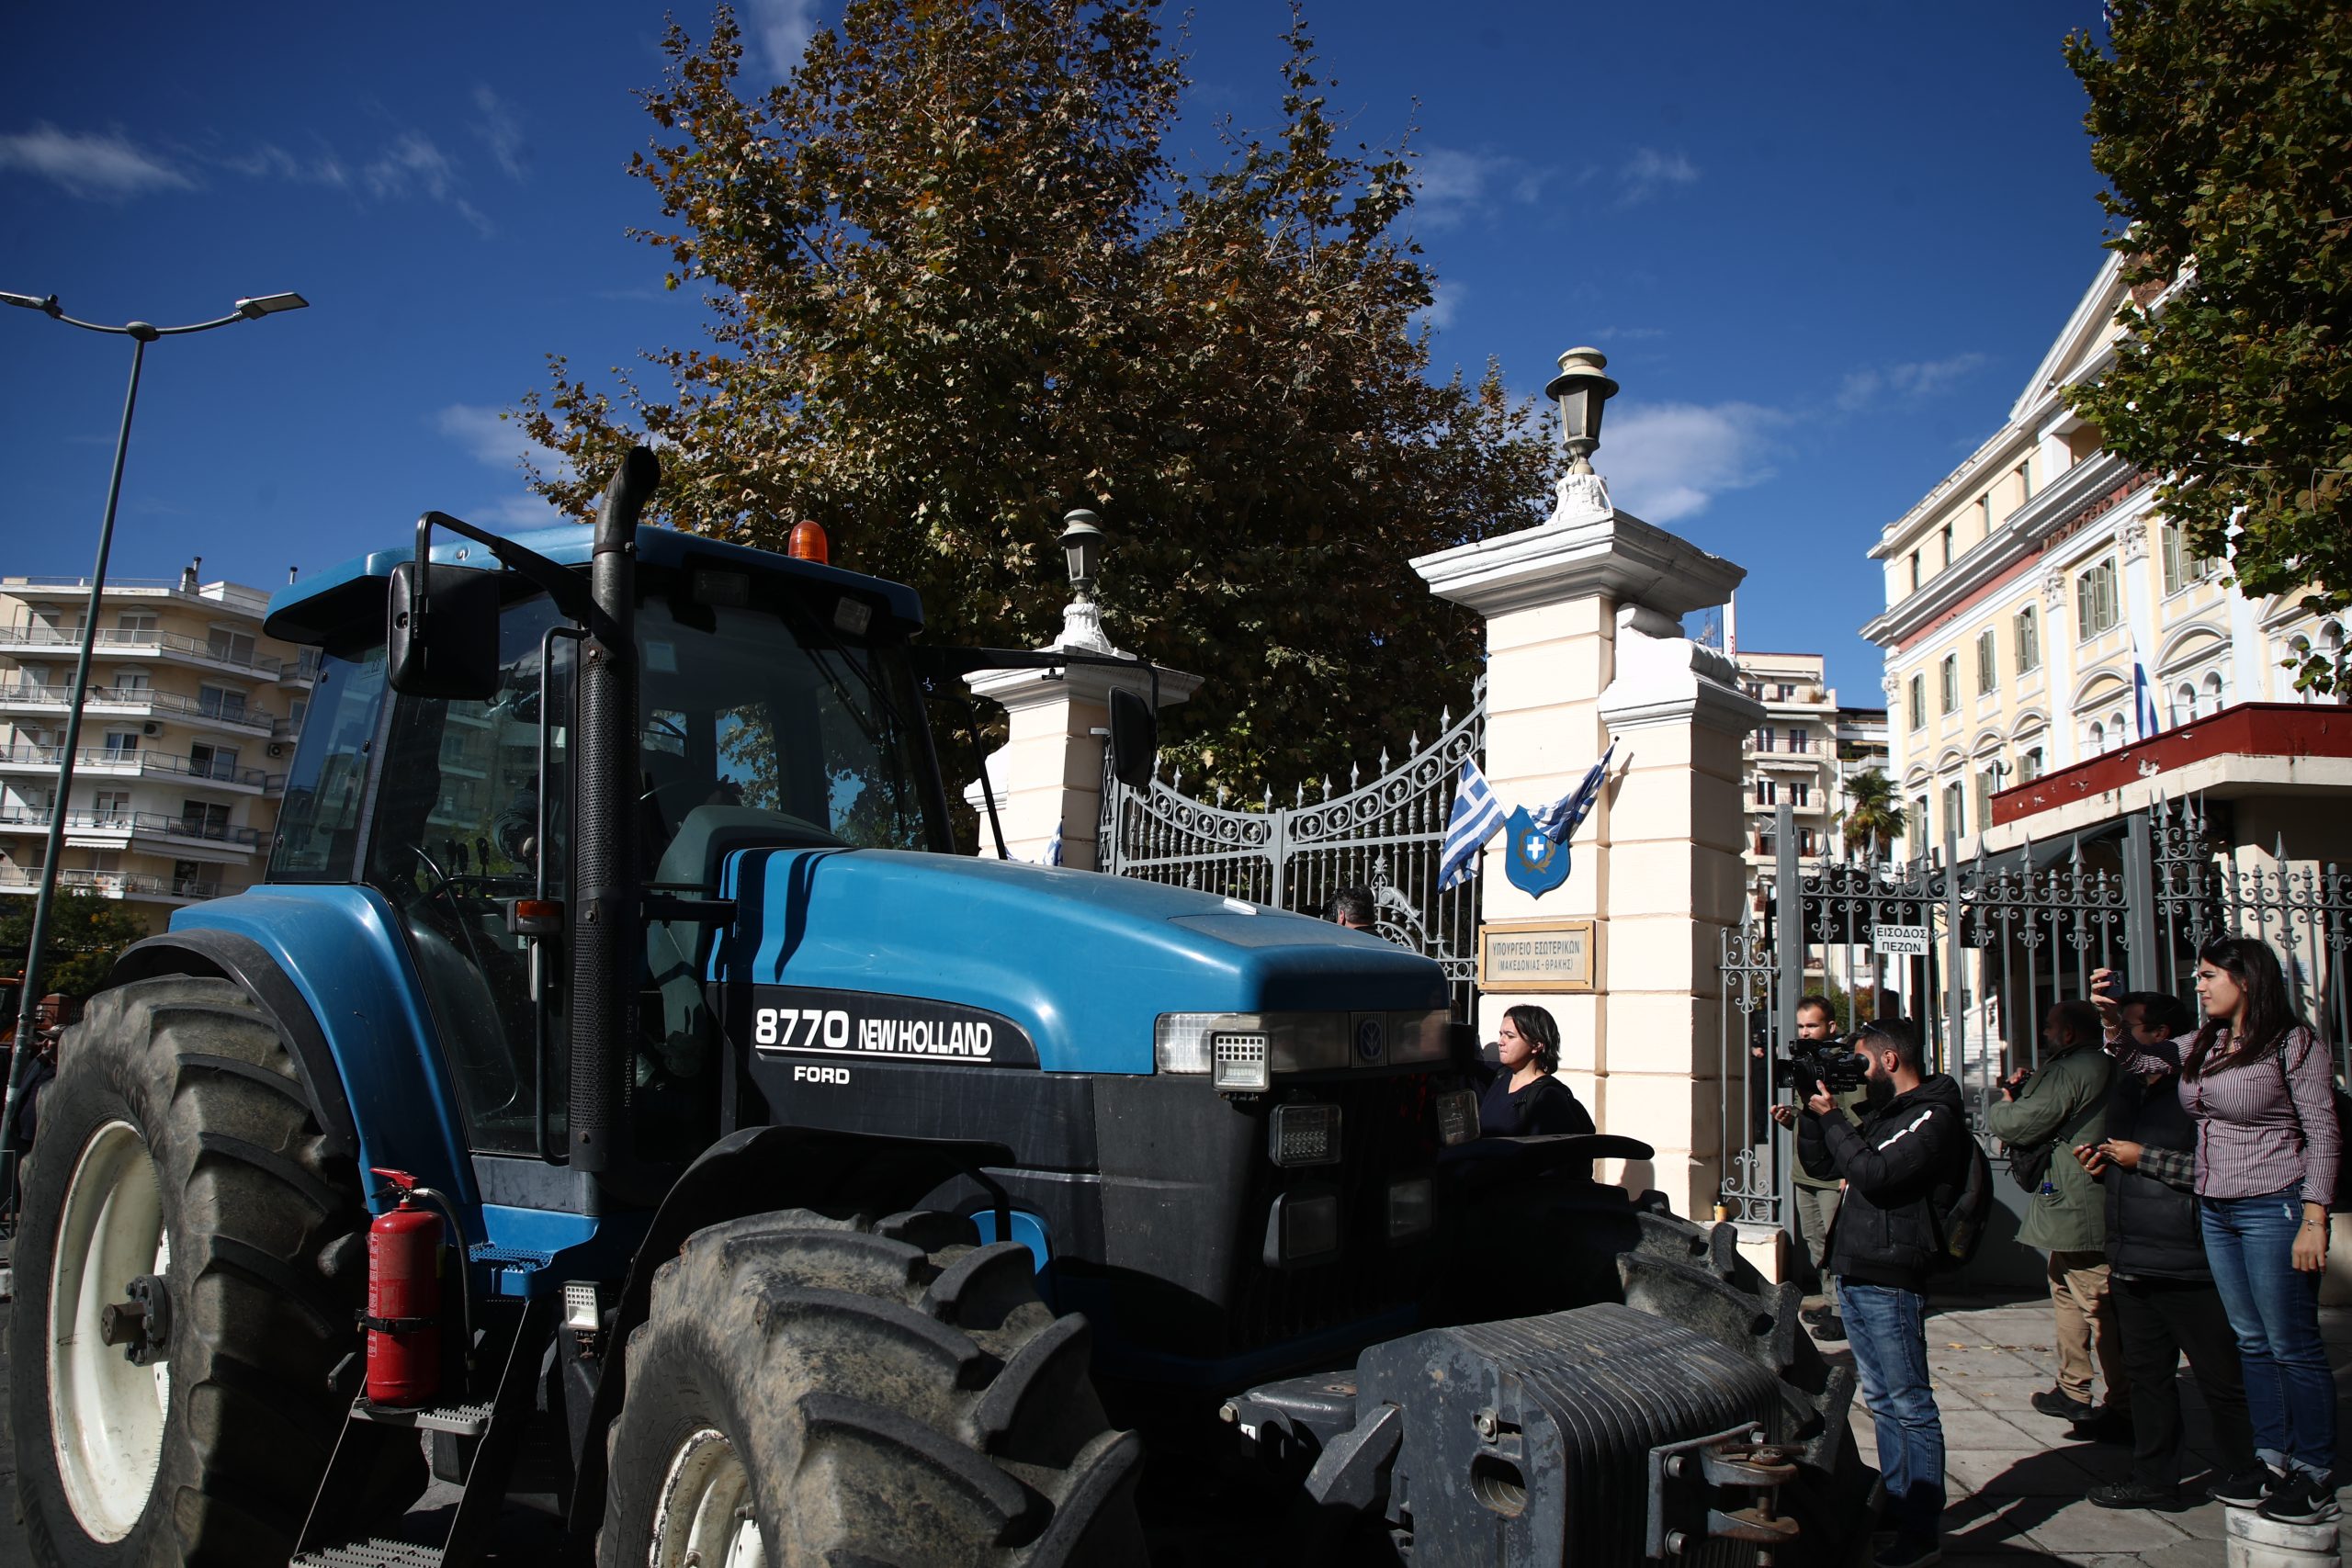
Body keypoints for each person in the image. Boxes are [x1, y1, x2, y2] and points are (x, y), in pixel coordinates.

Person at [2094, 940, 2339, 1526]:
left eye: (2208, 976)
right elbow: (2145, 1063)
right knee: (2251, 1342)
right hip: (2216, 1208)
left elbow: (2323, 1132)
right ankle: (2270, 1459)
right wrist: (2112, 1023)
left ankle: (2314, 1471)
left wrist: (2315, 1217)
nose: (2199, 987)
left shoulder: (2292, 1043)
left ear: (2246, 979)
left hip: (2273, 1206)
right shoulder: (2206, 1041)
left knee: (2291, 1344)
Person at [2073, 988, 2261, 1511]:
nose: (2121, 1042)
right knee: (2148, 1376)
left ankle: (2250, 1469)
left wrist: (2144, 1158)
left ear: (2162, 1037)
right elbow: (2126, 1151)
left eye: (2130, 1028)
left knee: (2221, 1378)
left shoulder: (2206, 1091)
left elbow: (2216, 1168)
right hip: (2132, 1251)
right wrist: (2106, 1162)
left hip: (2190, 1256)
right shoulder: (2129, 1087)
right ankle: (2153, 1477)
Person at [1796, 1017, 1970, 1568]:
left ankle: (1922, 1529)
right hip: (1857, 1267)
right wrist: (1812, 1112)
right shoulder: (1887, 1113)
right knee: (1884, 1403)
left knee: (1910, 1404)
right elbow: (1825, 1162)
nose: (1857, 1071)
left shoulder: (1932, 1116)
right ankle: (1895, 1506)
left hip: (1891, 1273)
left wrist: (1834, 1121)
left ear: (1890, 1061)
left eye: (1863, 1060)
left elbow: (1872, 1173)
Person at [1985, 999, 2126, 1439]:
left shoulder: (2074, 1068)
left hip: (2077, 1197)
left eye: (2049, 1025)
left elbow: (2021, 1124)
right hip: (2072, 1195)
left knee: (2096, 1302)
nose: (2045, 1033)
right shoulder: (2098, 1065)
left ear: (2067, 1033)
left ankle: (2127, 1404)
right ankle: (2074, 1388)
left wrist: (2002, 1108)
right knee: (2066, 1290)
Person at [1767, 995, 1865, 1343]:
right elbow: (1807, 1119)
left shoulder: (1843, 1067)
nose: (1806, 1033)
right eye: (1802, 1026)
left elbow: (1854, 1120)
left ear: (1831, 1027)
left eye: (1813, 1026)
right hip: (1804, 1171)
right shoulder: (1802, 1065)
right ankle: (1830, 1301)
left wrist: (1849, 1173)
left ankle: (1844, 1313)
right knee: (1816, 1244)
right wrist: (1788, 1117)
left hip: (1834, 1174)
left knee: (1837, 1246)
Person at [1476, 1005, 1596, 1139]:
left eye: (1510, 1036)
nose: (1500, 1042)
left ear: (1537, 1045)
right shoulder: (1500, 1076)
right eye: (1501, 1034)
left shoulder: (1549, 1096)